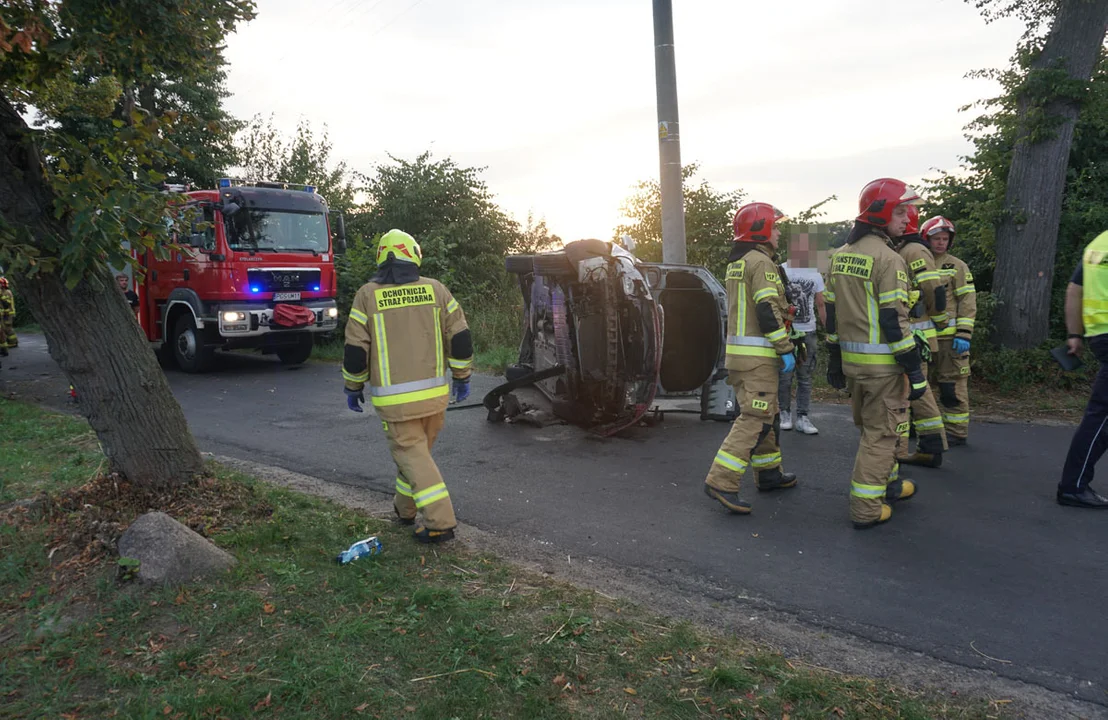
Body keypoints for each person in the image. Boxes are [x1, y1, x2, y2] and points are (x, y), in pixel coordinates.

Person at [342, 229, 475, 542]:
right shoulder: (437, 290)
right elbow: (460, 337)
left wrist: (353, 386)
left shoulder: (367, 295)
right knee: (416, 456)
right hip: (434, 398)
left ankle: (440, 522)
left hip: (396, 403)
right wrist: (462, 376)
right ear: (414, 255)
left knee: (412, 456)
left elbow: (355, 349)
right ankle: (405, 510)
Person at [824, 178, 923, 529]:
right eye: (900, 211)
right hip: (884, 368)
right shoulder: (889, 259)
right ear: (880, 214)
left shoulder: (839, 257)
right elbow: (894, 321)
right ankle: (866, 509)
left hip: (854, 365)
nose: (906, 217)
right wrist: (915, 371)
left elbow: (831, 314)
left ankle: (890, 485)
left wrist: (834, 358)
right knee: (881, 436)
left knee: (875, 428)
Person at [704, 202, 799, 515]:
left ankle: (769, 473)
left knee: (767, 414)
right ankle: (722, 481)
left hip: (741, 356)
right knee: (755, 417)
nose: (779, 232)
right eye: (775, 226)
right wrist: (785, 348)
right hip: (759, 357)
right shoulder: (760, 262)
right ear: (760, 230)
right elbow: (766, 309)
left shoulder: (740, 261)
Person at [1056, 229, 1108, 508]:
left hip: (1100, 335)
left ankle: (1074, 484)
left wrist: (1075, 334)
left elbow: (1074, 290)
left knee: (1101, 415)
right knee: (1100, 416)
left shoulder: (1098, 244)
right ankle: (1073, 486)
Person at [894, 206, 949, 468]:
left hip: (915, 333)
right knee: (918, 390)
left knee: (909, 391)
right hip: (914, 331)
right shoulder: (905, 249)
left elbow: (933, 289)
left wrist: (939, 319)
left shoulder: (913, 250)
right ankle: (930, 445)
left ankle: (903, 450)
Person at [922, 216, 976, 446]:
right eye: (936, 238)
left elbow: (967, 300)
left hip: (949, 340)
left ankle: (956, 431)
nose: (941, 243)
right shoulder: (917, 262)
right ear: (927, 239)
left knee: (951, 386)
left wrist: (964, 332)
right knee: (920, 386)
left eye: (945, 239)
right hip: (924, 338)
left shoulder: (956, 266)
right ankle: (924, 430)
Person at [778, 233, 826, 435]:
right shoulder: (780, 270)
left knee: (805, 376)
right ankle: (784, 413)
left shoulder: (815, 274)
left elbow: (821, 304)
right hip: (787, 332)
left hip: (808, 331)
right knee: (785, 376)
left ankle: (803, 417)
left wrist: (829, 331)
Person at [0, 277, 16, 352]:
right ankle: (11, 342)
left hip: (8, 313)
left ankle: (13, 342)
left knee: (8, 328)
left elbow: (6, 303)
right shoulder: (4, 292)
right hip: (6, 313)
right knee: (5, 328)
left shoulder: (6, 292)